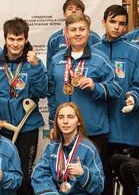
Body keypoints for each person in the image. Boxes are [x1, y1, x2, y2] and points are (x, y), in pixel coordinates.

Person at [0, 17, 49, 195]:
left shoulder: (33, 63)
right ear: (5, 39)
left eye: (19, 39)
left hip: (26, 128)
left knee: (23, 173)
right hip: (1, 128)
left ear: (26, 39)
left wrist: (37, 67)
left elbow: (42, 91)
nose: (15, 44)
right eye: (11, 39)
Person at [95, 5, 139, 195]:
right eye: (113, 22)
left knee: (126, 171)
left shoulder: (134, 51)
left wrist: (134, 98)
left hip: (124, 124)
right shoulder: (93, 50)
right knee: (101, 172)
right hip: (99, 125)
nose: (117, 27)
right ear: (104, 22)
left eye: (122, 23)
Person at [47, 12, 120, 159]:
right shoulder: (56, 59)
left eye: (82, 29)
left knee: (97, 172)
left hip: (93, 131)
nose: (78, 33)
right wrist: (53, 124)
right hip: (65, 131)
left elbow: (116, 89)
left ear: (88, 32)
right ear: (66, 33)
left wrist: (95, 86)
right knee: (65, 171)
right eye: (73, 30)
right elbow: (51, 94)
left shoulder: (100, 58)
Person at [31, 102, 105, 195]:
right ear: (56, 121)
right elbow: (39, 174)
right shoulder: (53, 146)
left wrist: (83, 173)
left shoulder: (89, 148)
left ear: (78, 121)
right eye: (61, 117)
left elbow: (99, 186)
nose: (65, 121)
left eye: (70, 117)